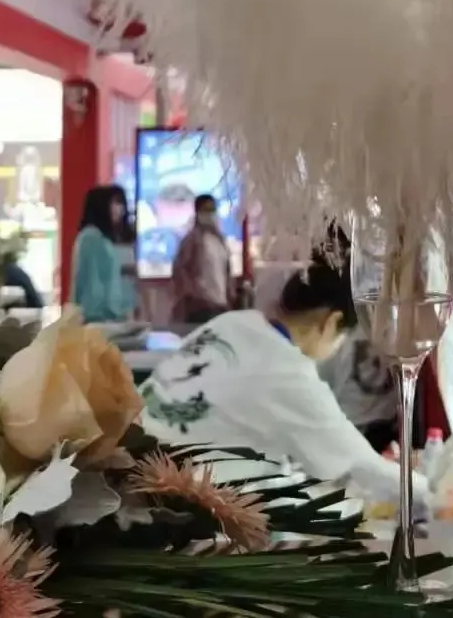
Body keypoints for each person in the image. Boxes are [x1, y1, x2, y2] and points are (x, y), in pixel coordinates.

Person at [140, 232, 428, 510]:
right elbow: (361, 465)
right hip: (172, 501)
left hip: (132, 466)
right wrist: (435, 496)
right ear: (330, 323)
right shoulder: (289, 373)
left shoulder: (233, 322)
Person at [171, 194, 232, 323]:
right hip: (202, 307)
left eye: (212, 210)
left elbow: (226, 271)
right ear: (197, 212)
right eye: (206, 210)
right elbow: (180, 269)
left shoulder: (220, 240)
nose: (210, 214)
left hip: (221, 305)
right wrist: (193, 294)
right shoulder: (192, 240)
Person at [71, 185, 128, 322]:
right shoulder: (91, 238)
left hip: (105, 319)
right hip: (97, 319)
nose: (120, 209)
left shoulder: (100, 238)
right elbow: (92, 284)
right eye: (115, 203)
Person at [109, 184, 138, 319]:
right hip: (108, 302)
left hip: (128, 299)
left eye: (120, 202)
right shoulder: (96, 238)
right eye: (113, 202)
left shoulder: (128, 234)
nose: (117, 207)